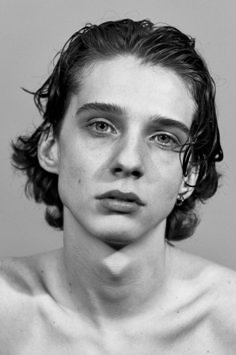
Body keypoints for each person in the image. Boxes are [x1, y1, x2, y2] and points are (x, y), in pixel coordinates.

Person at [1, 18, 236, 354]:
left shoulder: (229, 323)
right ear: (51, 146)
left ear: (192, 173)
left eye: (163, 138)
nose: (129, 160)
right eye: (101, 126)